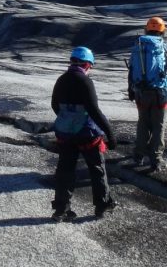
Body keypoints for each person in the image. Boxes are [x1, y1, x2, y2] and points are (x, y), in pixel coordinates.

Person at [50, 46, 118, 222]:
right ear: (87, 64)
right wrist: (110, 134)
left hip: (65, 134)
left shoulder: (62, 79)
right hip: (87, 134)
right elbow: (94, 110)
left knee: (65, 170)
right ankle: (102, 206)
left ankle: (61, 209)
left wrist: (68, 120)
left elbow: (55, 105)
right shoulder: (85, 81)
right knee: (96, 169)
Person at [127, 17, 167, 172]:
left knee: (143, 123)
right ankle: (156, 160)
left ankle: (138, 156)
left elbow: (131, 70)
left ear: (147, 29)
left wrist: (130, 90)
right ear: (162, 30)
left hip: (140, 91)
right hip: (160, 93)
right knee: (158, 126)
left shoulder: (137, 47)